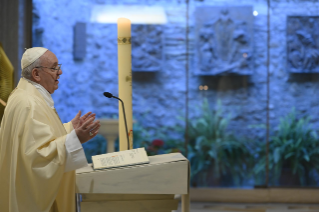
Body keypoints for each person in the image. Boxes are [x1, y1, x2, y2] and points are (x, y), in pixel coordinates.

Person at [0, 47, 101, 212]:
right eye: (54, 68)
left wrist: (69, 129)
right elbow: (37, 158)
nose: (60, 72)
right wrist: (75, 139)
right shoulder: (29, 104)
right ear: (36, 74)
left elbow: (34, 138)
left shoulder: (25, 96)